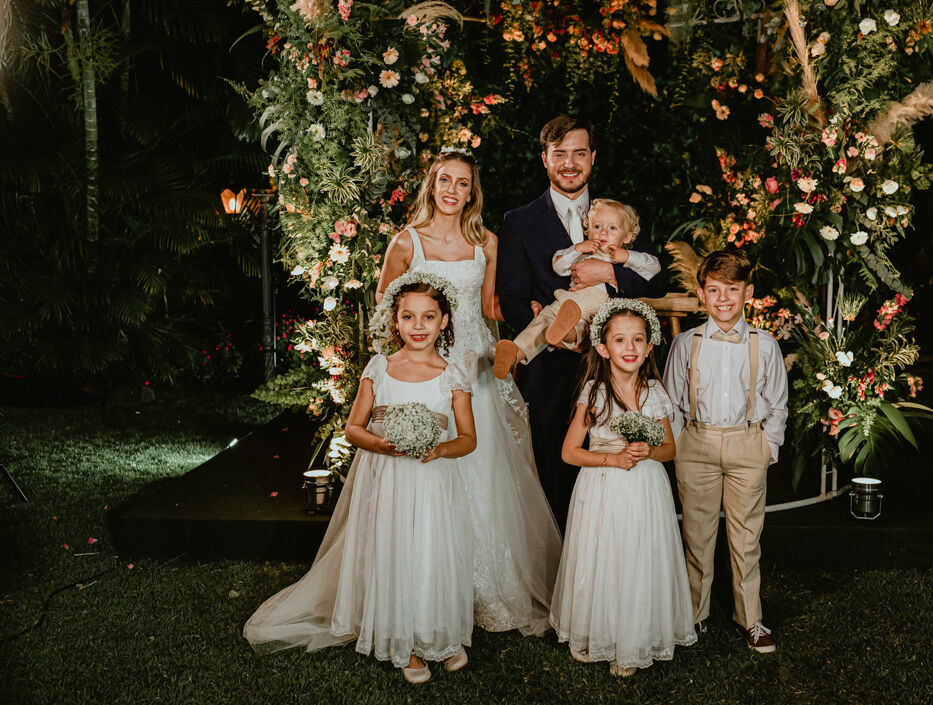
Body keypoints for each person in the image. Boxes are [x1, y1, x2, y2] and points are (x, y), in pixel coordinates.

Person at [244, 273, 476, 684]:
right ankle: (402, 641)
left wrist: (438, 448)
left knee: (433, 548)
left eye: (428, 317)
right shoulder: (380, 368)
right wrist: (381, 444)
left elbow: (468, 439)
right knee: (396, 549)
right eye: (409, 317)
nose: (418, 326)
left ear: (444, 321)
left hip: (433, 481)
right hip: (388, 477)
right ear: (395, 322)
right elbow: (353, 428)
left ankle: (440, 631)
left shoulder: (453, 374)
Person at [377, 148, 562, 636]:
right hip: (426, 366)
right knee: (429, 467)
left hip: (475, 363)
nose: (452, 191)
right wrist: (409, 351)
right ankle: (424, 581)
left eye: (462, 183)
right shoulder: (406, 241)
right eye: (445, 181)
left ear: (471, 192)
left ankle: (485, 587)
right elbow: (386, 302)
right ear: (431, 185)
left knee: (484, 472)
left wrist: (535, 309)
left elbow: (489, 306)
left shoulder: (487, 243)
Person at [496, 115, 666, 529]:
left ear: (592, 157)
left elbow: (658, 280)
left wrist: (608, 275)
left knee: (616, 472)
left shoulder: (619, 214)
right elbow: (514, 296)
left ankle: (610, 566)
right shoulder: (519, 221)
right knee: (555, 476)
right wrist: (534, 319)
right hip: (552, 371)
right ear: (545, 159)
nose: (569, 163)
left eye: (578, 153)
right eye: (559, 155)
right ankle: (562, 578)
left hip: (618, 373)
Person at [549, 299, 697, 677]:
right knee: (602, 555)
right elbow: (569, 453)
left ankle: (632, 639)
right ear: (603, 348)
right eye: (620, 340)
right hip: (601, 487)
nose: (629, 348)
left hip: (645, 487)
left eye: (637, 340)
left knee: (637, 554)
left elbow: (670, 449)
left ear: (650, 347)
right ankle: (593, 631)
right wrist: (611, 459)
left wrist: (649, 451)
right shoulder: (593, 393)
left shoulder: (654, 392)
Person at [661, 250, 789, 654]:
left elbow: (778, 401)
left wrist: (768, 447)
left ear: (747, 292)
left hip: (747, 443)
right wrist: (681, 444)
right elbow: (672, 401)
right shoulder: (685, 343)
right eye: (714, 290)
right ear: (702, 293)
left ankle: (750, 618)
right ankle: (694, 616)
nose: (723, 299)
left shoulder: (764, 345)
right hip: (696, 445)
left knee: (747, 538)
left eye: (731, 290)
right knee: (696, 536)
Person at [492, 198, 660, 379]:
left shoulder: (623, 256)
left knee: (585, 327)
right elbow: (558, 265)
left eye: (612, 228)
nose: (603, 232)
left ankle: (566, 332)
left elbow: (654, 268)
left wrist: (627, 257)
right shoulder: (585, 252)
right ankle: (514, 354)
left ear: (626, 237)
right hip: (566, 301)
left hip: (596, 303)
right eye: (597, 227)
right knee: (542, 321)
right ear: (588, 230)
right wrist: (577, 249)